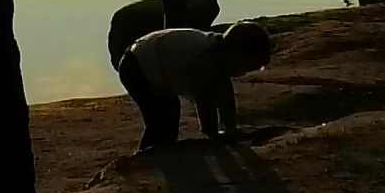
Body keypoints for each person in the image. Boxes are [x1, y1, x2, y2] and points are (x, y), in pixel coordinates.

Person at [117, 21, 274, 150]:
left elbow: (225, 93)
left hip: (155, 65)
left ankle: (161, 153)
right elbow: (205, 99)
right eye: (246, 68)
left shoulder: (218, 54)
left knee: (169, 117)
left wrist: (231, 126)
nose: (244, 74)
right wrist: (213, 133)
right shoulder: (202, 60)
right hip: (136, 66)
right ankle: (147, 158)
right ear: (235, 55)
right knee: (160, 120)